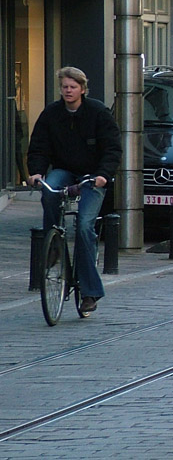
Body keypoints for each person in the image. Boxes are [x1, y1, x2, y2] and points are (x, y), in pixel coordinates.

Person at [27, 66, 122, 315]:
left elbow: (112, 148)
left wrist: (103, 174)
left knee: (84, 226)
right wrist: (36, 172)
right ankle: (54, 244)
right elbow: (38, 146)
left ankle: (90, 292)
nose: (68, 91)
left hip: (92, 174)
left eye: (72, 87)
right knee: (49, 191)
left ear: (82, 89)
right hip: (64, 169)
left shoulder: (98, 112)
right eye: (64, 87)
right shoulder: (51, 114)